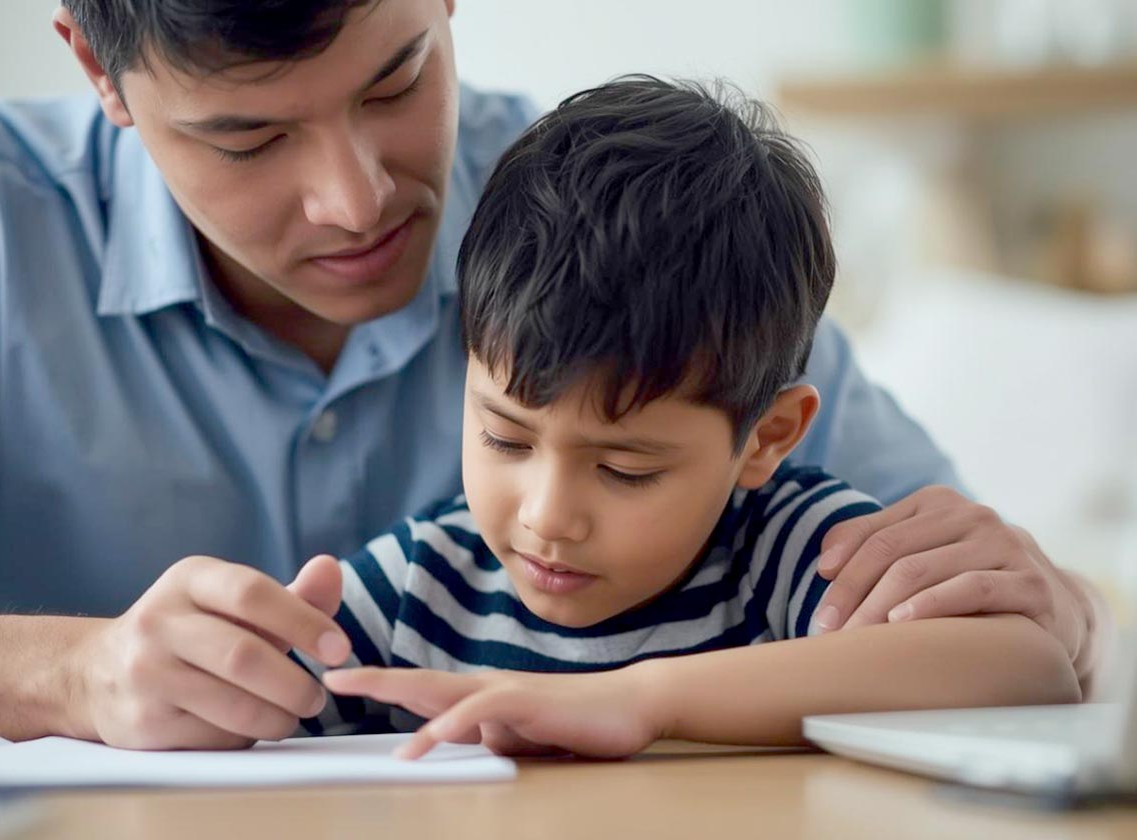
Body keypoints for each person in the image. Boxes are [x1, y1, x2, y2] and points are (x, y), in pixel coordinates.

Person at [0, 0, 1107, 750]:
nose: (354, 201)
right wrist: (64, 676)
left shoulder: (621, 230)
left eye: (395, 79)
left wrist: (1060, 602)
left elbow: (987, 617)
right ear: (96, 70)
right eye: (246, 134)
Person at [275, 75, 1080, 756]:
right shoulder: (423, 585)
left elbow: (1024, 668)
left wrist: (646, 699)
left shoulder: (782, 552)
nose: (548, 517)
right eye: (503, 436)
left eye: (626, 469)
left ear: (767, 437)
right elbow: (246, 708)